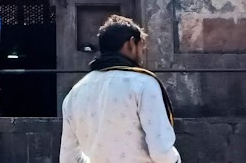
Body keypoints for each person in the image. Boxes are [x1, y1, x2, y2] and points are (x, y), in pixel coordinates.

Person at [60, 15, 181, 163]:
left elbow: (69, 158)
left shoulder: (75, 93)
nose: (143, 53)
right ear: (131, 43)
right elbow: (161, 152)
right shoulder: (144, 84)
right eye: (142, 46)